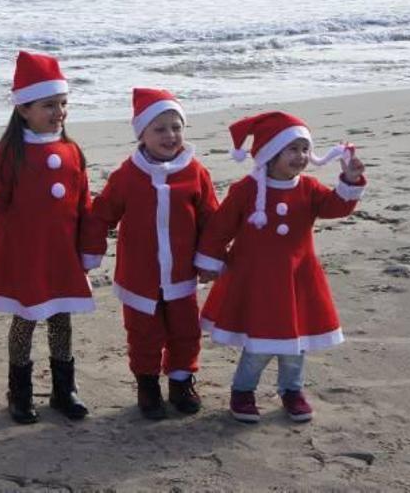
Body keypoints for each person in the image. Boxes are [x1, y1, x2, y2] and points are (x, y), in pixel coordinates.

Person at [195, 111, 366, 423]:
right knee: (259, 343)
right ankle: (243, 391)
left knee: (295, 344)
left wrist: (350, 181)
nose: (301, 156)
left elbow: (334, 207)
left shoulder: (310, 188)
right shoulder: (246, 189)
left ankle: (292, 390)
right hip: (256, 280)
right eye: (293, 149)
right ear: (271, 153)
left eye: (305, 149)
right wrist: (209, 261)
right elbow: (220, 228)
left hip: (297, 278)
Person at [0, 51, 95, 424]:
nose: (58, 112)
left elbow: (84, 203)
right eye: (49, 105)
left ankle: (64, 389)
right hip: (26, 254)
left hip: (62, 254)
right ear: (24, 109)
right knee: (25, 321)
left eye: (62, 103)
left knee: (62, 320)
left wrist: (89, 247)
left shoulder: (73, 150)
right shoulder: (11, 151)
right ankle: (20, 391)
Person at [86, 88, 219, 420]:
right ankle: (147, 385)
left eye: (176, 127)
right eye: (159, 129)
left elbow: (212, 220)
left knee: (186, 330)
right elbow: (101, 214)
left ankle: (181, 382)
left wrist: (211, 258)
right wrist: (90, 251)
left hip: (182, 274)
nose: (170, 135)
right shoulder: (126, 176)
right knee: (143, 333)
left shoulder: (196, 172)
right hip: (139, 276)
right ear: (142, 134)